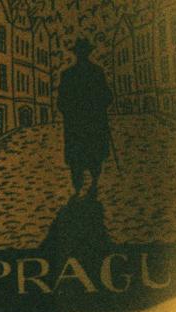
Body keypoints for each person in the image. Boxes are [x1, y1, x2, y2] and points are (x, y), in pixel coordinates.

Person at [56, 37, 113, 199]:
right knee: (94, 154)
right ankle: (93, 183)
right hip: (94, 122)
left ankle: (77, 187)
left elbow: (61, 102)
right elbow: (108, 96)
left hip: (76, 125)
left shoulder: (67, 74)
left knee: (78, 157)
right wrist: (99, 106)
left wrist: (71, 112)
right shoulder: (97, 72)